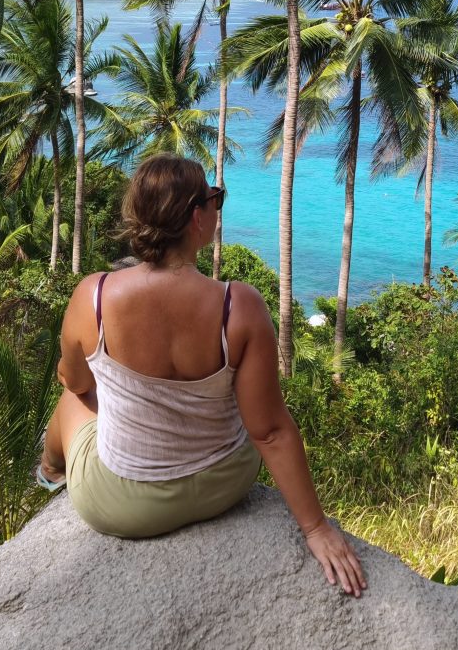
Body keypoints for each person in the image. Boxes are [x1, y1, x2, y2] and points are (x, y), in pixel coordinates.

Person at [39, 153, 366, 598]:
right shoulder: (240, 306)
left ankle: (49, 473)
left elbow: (76, 382)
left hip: (124, 505)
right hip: (225, 483)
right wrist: (316, 528)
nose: (217, 207)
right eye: (216, 199)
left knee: (72, 402)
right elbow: (269, 431)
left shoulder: (92, 298)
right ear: (197, 217)